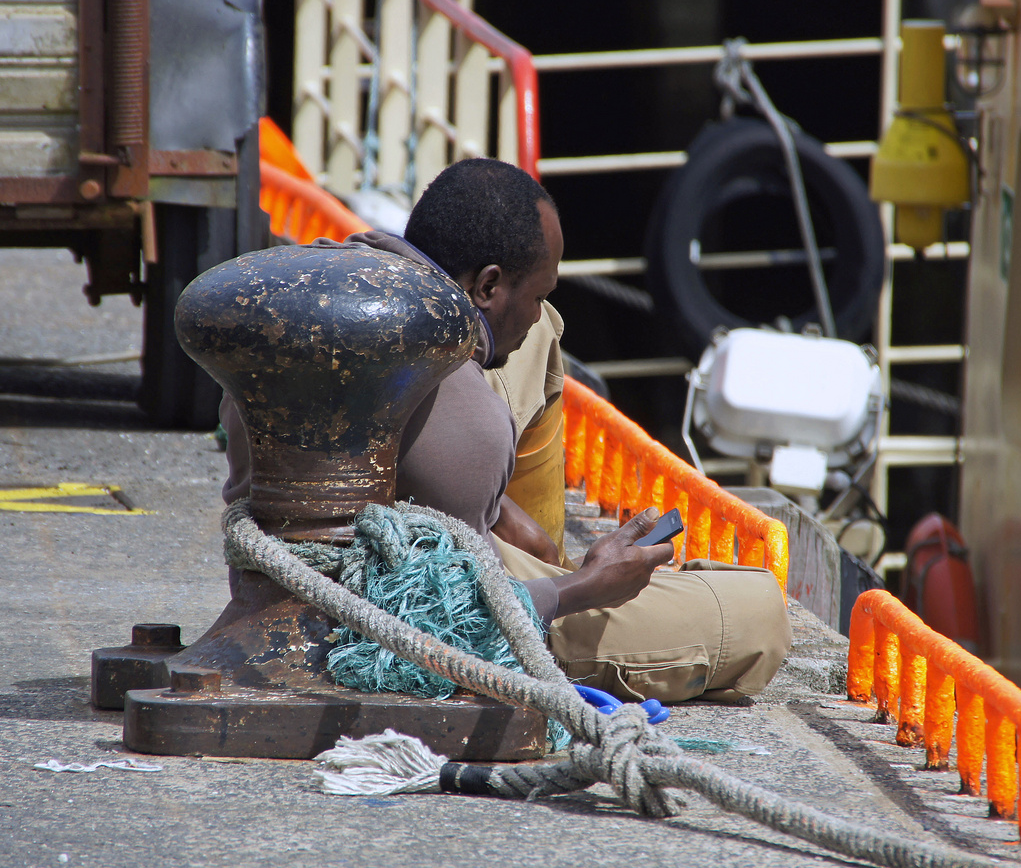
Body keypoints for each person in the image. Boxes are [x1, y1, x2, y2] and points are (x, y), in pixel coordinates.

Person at [221, 158, 789, 703]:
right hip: (387, 610)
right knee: (759, 612)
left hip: (361, 531)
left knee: (540, 336)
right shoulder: (470, 422)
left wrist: (509, 521)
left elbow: (427, 464)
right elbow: (451, 624)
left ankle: (542, 548)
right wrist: (586, 586)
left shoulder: (326, 287)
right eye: (537, 294)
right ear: (487, 285)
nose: (541, 309)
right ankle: (599, 586)